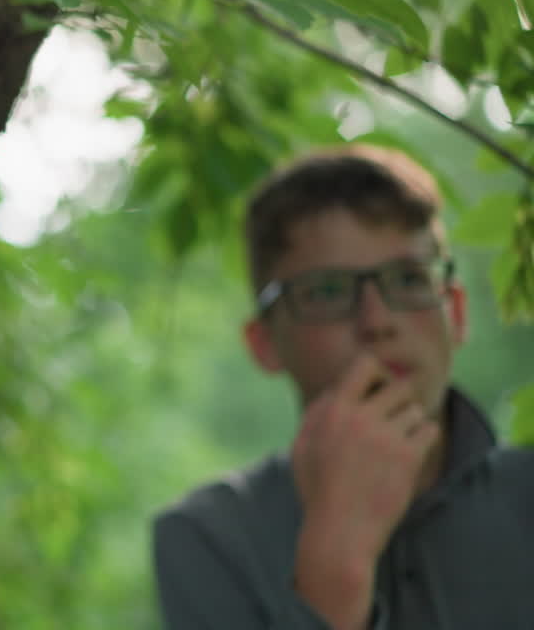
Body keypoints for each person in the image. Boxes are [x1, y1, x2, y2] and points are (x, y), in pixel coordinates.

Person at [151, 145, 534, 629]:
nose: (377, 320)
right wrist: (334, 568)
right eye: (327, 291)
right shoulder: (207, 537)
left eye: (409, 279)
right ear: (265, 342)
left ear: (455, 312)